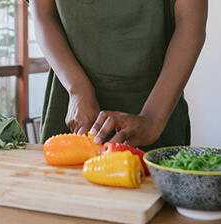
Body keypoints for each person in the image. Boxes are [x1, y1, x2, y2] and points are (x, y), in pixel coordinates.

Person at [29, 0, 208, 151]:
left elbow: (190, 20)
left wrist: (153, 119)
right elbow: (44, 15)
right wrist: (77, 89)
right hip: (71, 105)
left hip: (158, 106)